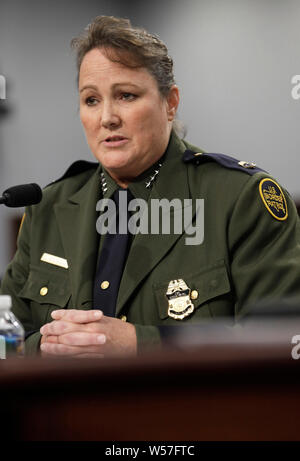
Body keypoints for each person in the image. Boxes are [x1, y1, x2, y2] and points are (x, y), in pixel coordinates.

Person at [1, 16, 300, 357]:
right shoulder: (49, 207)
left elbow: (279, 344)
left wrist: (140, 344)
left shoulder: (241, 200)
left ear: (170, 103)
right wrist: (48, 345)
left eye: (126, 95)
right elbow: (6, 338)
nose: (107, 117)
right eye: (91, 100)